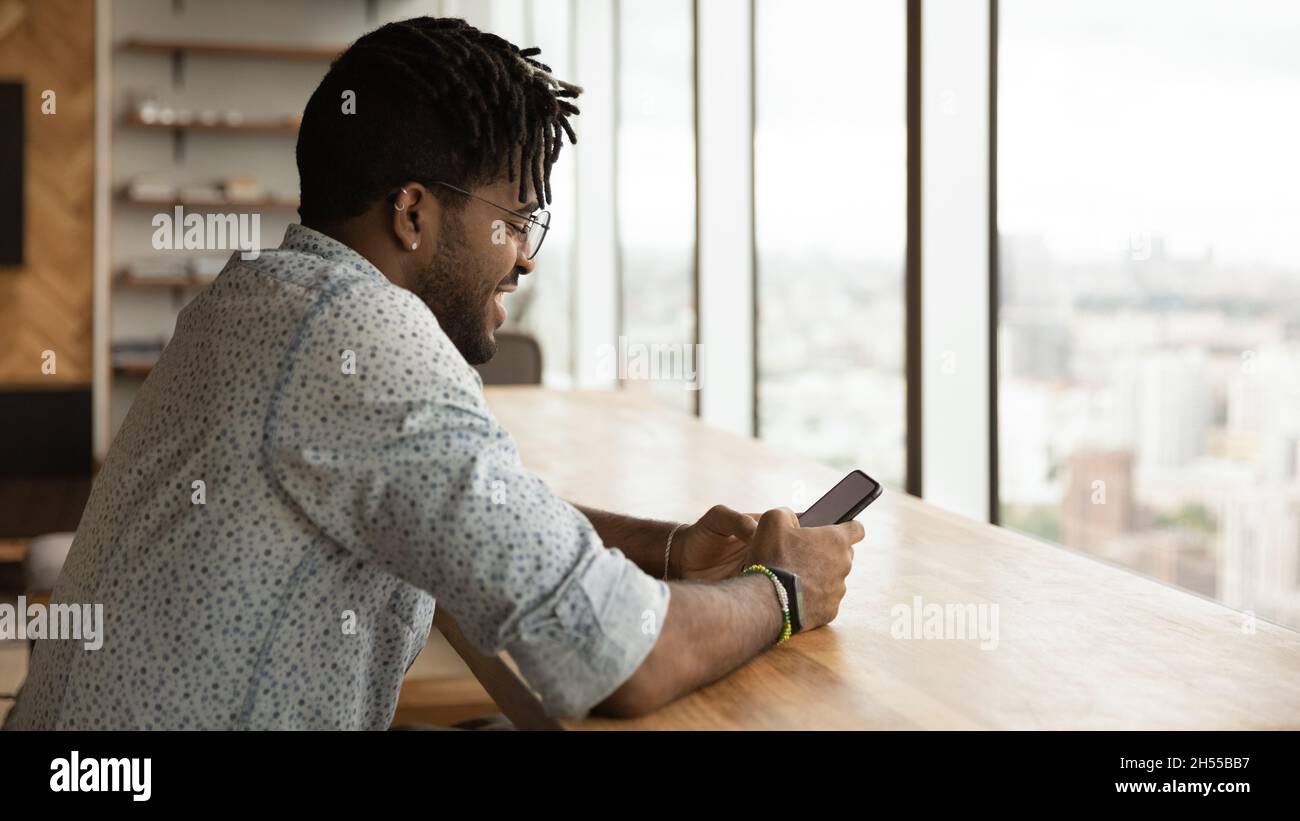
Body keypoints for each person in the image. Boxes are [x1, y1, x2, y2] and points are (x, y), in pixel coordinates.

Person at [3, 16, 863, 731]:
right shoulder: (364, 336)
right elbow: (613, 659)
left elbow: (465, 505)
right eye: (515, 218)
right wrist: (783, 590)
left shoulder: (255, 299)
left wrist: (665, 547)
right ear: (413, 212)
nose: (524, 258)